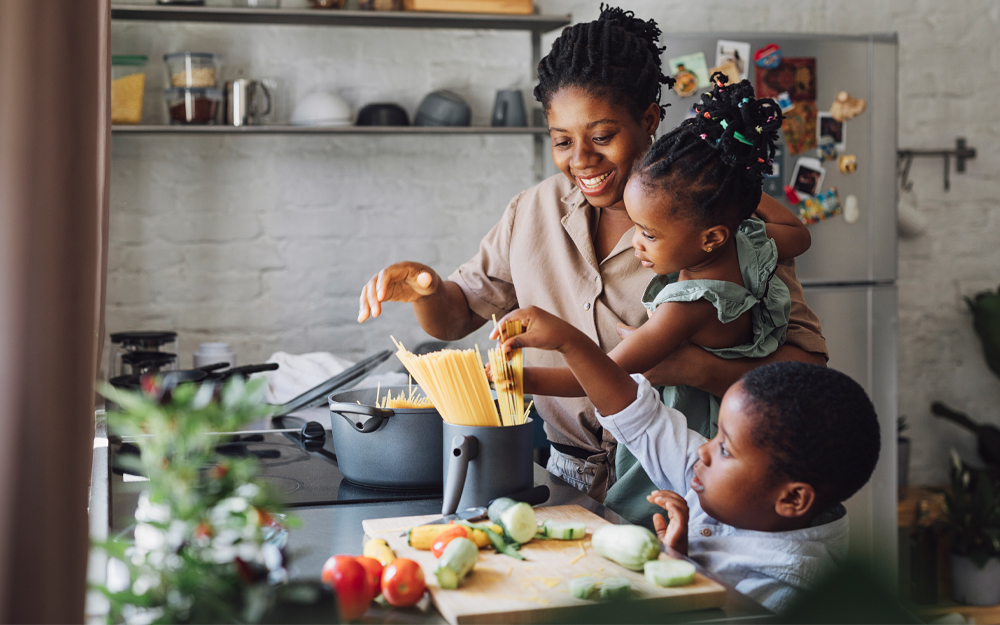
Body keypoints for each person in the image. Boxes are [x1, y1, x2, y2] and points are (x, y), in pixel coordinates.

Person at [357, 6, 828, 506]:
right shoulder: (532, 211)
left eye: (602, 137)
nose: (580, 159)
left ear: (648, 119)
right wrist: (425, 288)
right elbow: (455, 315)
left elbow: (805, 375)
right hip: (563, 476)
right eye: (563, 141)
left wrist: (696, 369)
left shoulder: (715, 221)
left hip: (685, 479)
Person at [491, 307, 881, 613]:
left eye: (725, 448)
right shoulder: (721, 483)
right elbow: (639, 418)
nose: (705, 450)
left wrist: (685, 570)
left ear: (793, 500)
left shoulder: (792, 587)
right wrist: (569, 343)